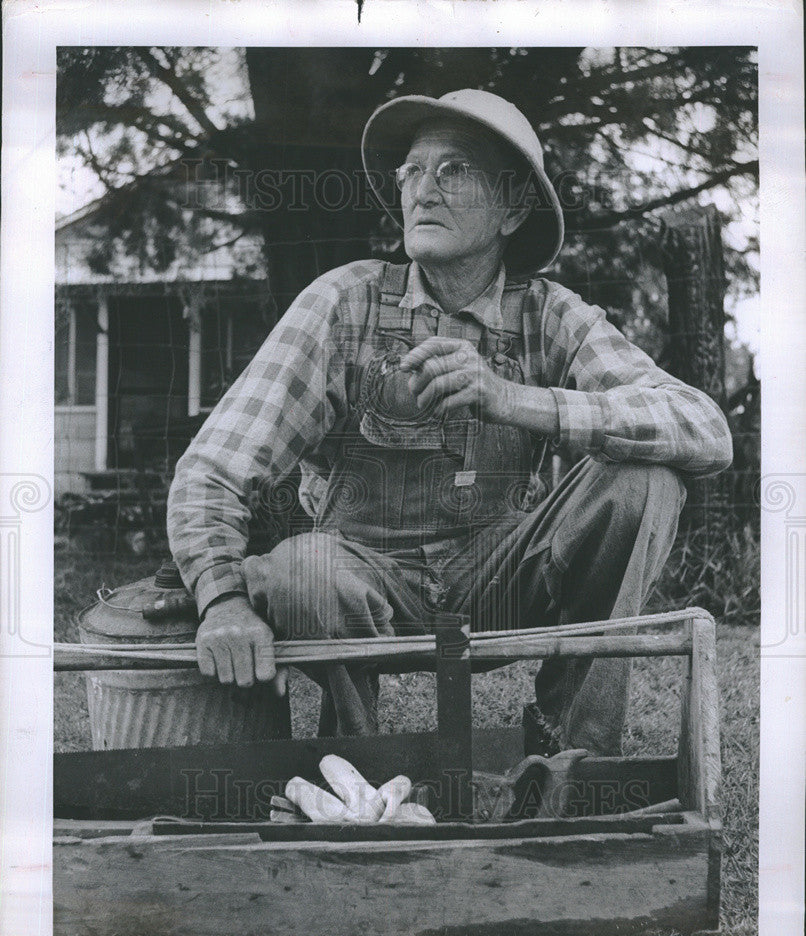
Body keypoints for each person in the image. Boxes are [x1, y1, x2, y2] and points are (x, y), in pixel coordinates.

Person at [167, 89, 732, 755]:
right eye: (411, 170)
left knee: (645, 482)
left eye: (455, 169)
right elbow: (211, 469)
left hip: (501, 583)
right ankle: (356, 769)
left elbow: (705, 426)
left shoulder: (549, 313)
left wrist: (513, 399)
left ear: (514, 205)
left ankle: (568, 756)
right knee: (298, 567)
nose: (422, 190)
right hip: (362, 585)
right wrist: (223, 599)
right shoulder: (343, 302)